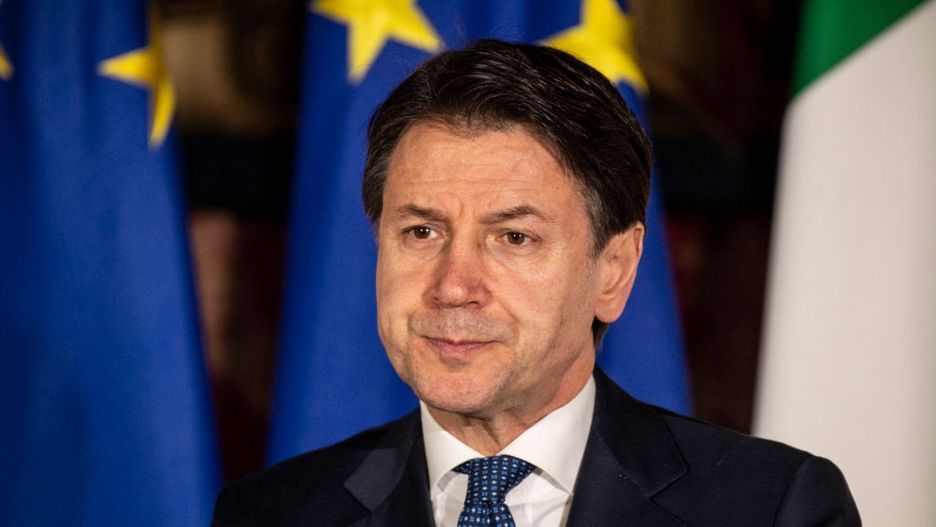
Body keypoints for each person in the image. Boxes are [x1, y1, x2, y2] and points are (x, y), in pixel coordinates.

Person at [212, 40, 860, 526]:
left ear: (614, 269)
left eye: (513, 238)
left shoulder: (770, 508)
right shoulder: (271, 513)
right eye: (422, 231)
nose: (454, 286)